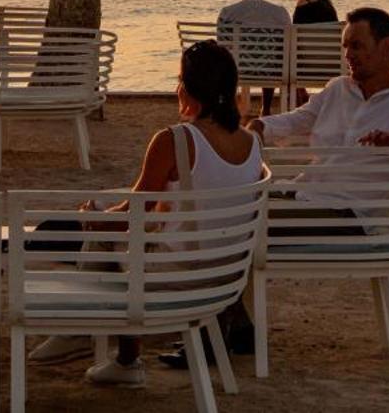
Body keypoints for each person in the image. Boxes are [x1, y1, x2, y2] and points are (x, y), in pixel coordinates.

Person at [31, 40, 262, 386]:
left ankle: (86, 334)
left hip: (175, 277)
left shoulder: (175, 139)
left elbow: (133, 214)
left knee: (104, 231)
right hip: (224, 276)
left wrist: (95, 216)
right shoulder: (251, 144)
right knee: (123, 234)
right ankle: (115, 355)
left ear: (189, 87)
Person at [250, 7, 389, 151]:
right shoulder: (337, 89)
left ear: (386, 47)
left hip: (344, 212)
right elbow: (297, 120)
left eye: (357, 46)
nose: (348, 55)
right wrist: (261, 125)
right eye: (346, 47)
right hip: (305, 196)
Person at [217, 0, 290, 116]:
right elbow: (285, 46)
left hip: (237, 70)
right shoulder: (279, 13)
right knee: (272, 54)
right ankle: (266, 108)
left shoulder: (227, 13)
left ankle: (232, 106)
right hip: (271, 70)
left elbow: (222, 47)